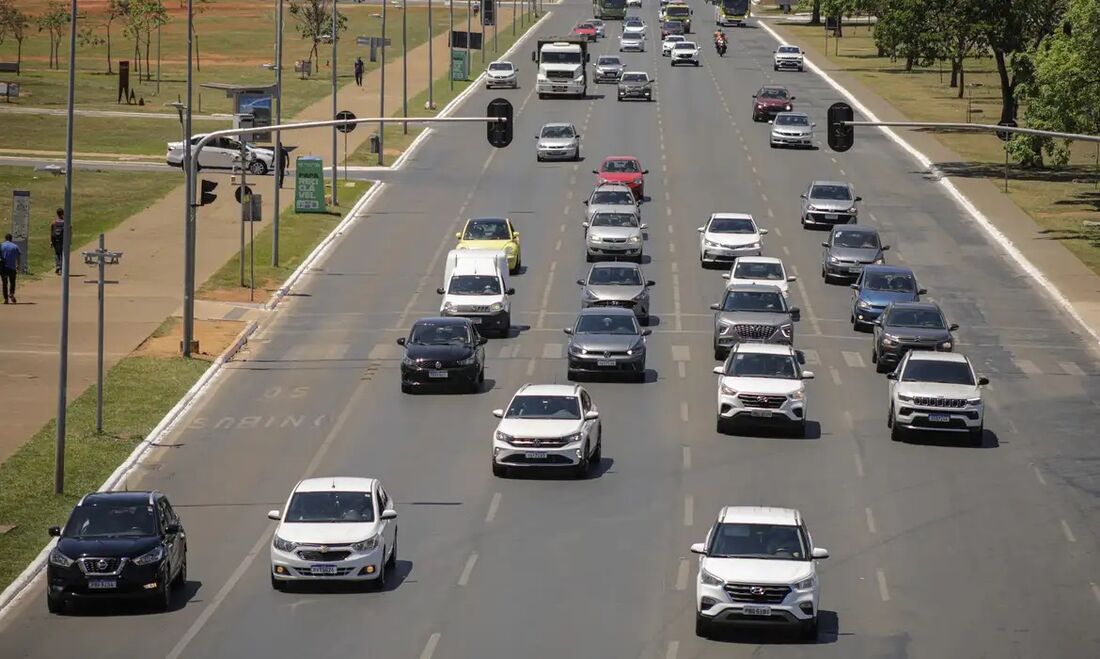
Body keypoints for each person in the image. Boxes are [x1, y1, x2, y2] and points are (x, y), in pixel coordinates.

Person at [1, 233, 21, 304]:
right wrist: (18, 265)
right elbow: (18, 256)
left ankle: (6, 299)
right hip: (12, 267)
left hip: (3, 268)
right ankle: (11, 293)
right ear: (11, 239)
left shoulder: (1, 245)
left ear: (5, 238)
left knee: (4, 283)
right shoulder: (15, 246)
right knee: (12, 282)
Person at [50, 207, 66, 274]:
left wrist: (51, 241)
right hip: (62, 240)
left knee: (57, 253)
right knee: (62, 253)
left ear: (57, 214)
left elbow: (51, 232)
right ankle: (62, 268)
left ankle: (57, 266)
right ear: (63, 213)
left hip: (55, 239)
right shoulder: (65, 222)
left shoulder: (53, 223)